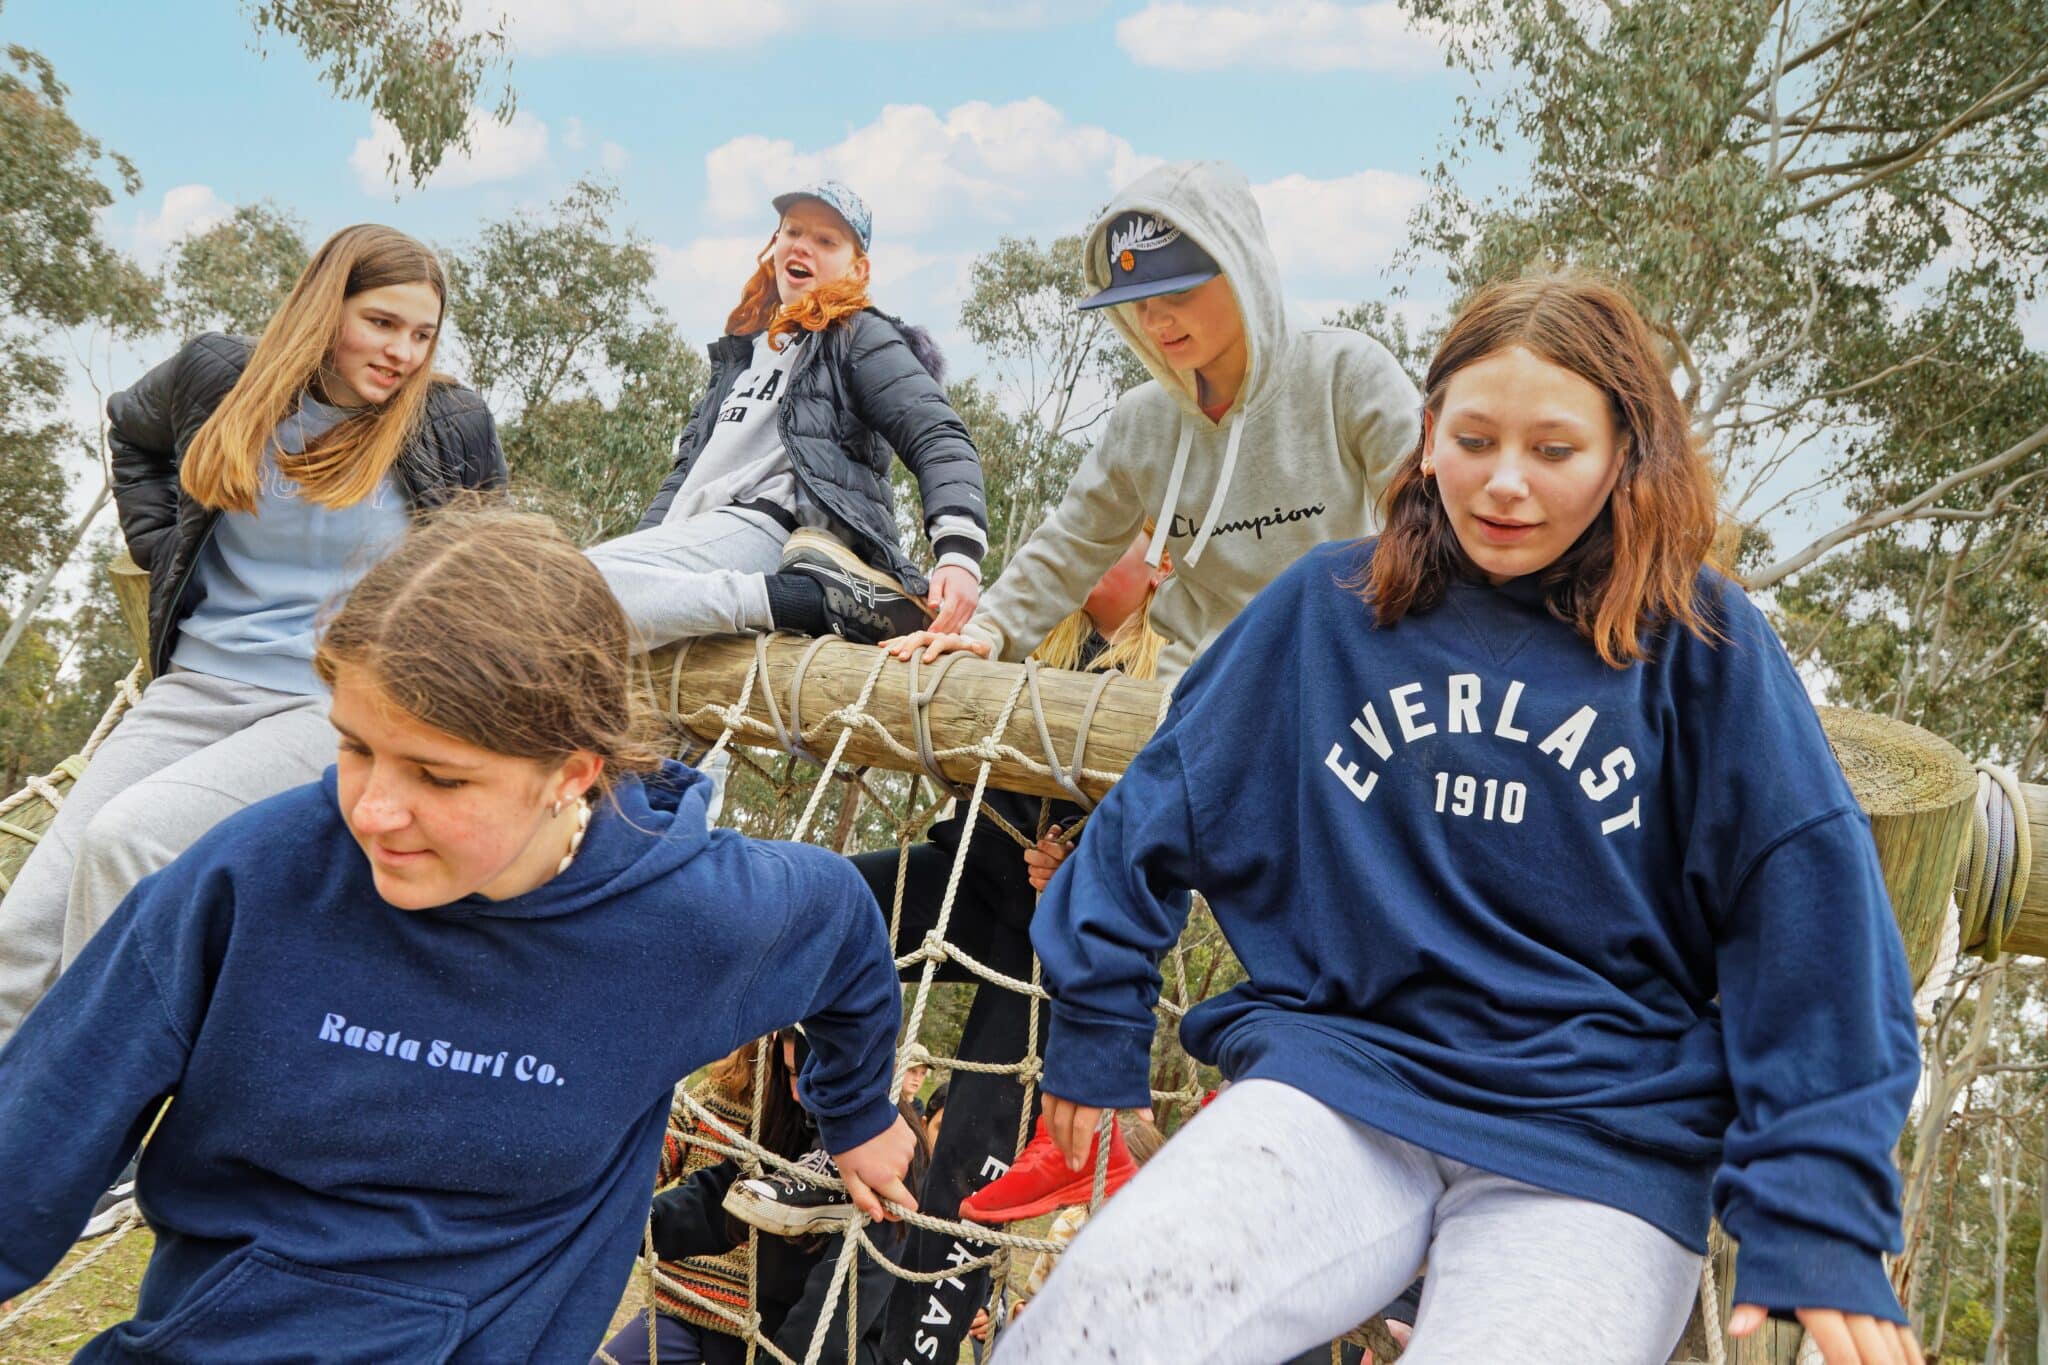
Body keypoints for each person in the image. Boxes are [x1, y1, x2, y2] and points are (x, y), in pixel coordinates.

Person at [994, 274, 1921, 1365]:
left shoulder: (1701, 649)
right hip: (1340, 1086)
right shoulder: (1326, 613)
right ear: (1426, 435)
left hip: (1595, 1142)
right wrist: (1095, 1034)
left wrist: (1815, 1208)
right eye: (1473, 438)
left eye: (1554, 450)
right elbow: (1155, 812)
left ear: (1626, 453)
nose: (1506, 484)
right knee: (1096, 1323)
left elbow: (1808, 923)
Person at [0, 506, 917, 1362]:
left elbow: (841, 923)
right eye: (356, 747)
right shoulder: (258, 875)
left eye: (439, 777)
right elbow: (40, 1129)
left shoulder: (690, 915)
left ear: (571, 773)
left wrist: (857, 1113)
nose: (375, 810)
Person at [0, 223, 506, 1046]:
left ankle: (94, 1137)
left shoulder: (449, 423)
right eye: (381, 322)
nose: (403, 352)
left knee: (127, 840)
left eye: (422, 333)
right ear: (324, 305)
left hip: (331, 709)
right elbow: (132, 430)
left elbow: (491, 566)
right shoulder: (221, 377)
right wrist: (163, 551)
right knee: (19, 936)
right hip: (193, 686)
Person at [887, 158, 1418, 685]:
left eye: (1178, 293)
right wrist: (984, 633)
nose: (1155, 321)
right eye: (1138, 301)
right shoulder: (1141, 423)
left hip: (1339, 681)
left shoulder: (1349, 377)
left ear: (1244, 273)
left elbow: (1430, 531)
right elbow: (1068, 548)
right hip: (1197, 692)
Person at [862, 529, 1169, 1362]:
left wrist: (1088, 854)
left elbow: (1173, 816)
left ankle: (912, 1350)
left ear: (1162, 568)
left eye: (1123, 537)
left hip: (1051, 923)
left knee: (972, 1151)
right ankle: (836, 1134)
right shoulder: (1029, 627)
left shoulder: (1171, 664)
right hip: (973, 868)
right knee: (830, 907)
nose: (1094, 544)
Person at [588, 180, 988, 650]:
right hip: (698, 532)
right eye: (793, 231)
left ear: (858, 269)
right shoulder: (741, 357)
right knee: (571, 597)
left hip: (777, 528)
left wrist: (958, 554)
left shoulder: (858, 335)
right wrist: (642, 553)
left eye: (825, 240)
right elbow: (685, 475)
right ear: (775, 244)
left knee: (566, 587)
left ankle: (807, 598)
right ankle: (800, 602)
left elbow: (937, 434)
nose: (803, 246)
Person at [596, 1030, 931, 1365]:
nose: (800, 1092)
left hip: (826, 1349)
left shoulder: (889, 1154)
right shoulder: (787, 1123)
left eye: (811, 1074)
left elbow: (835, 1312)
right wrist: (617, 1228)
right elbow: (719, 1203)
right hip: (747, 1325)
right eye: (791, 1074)